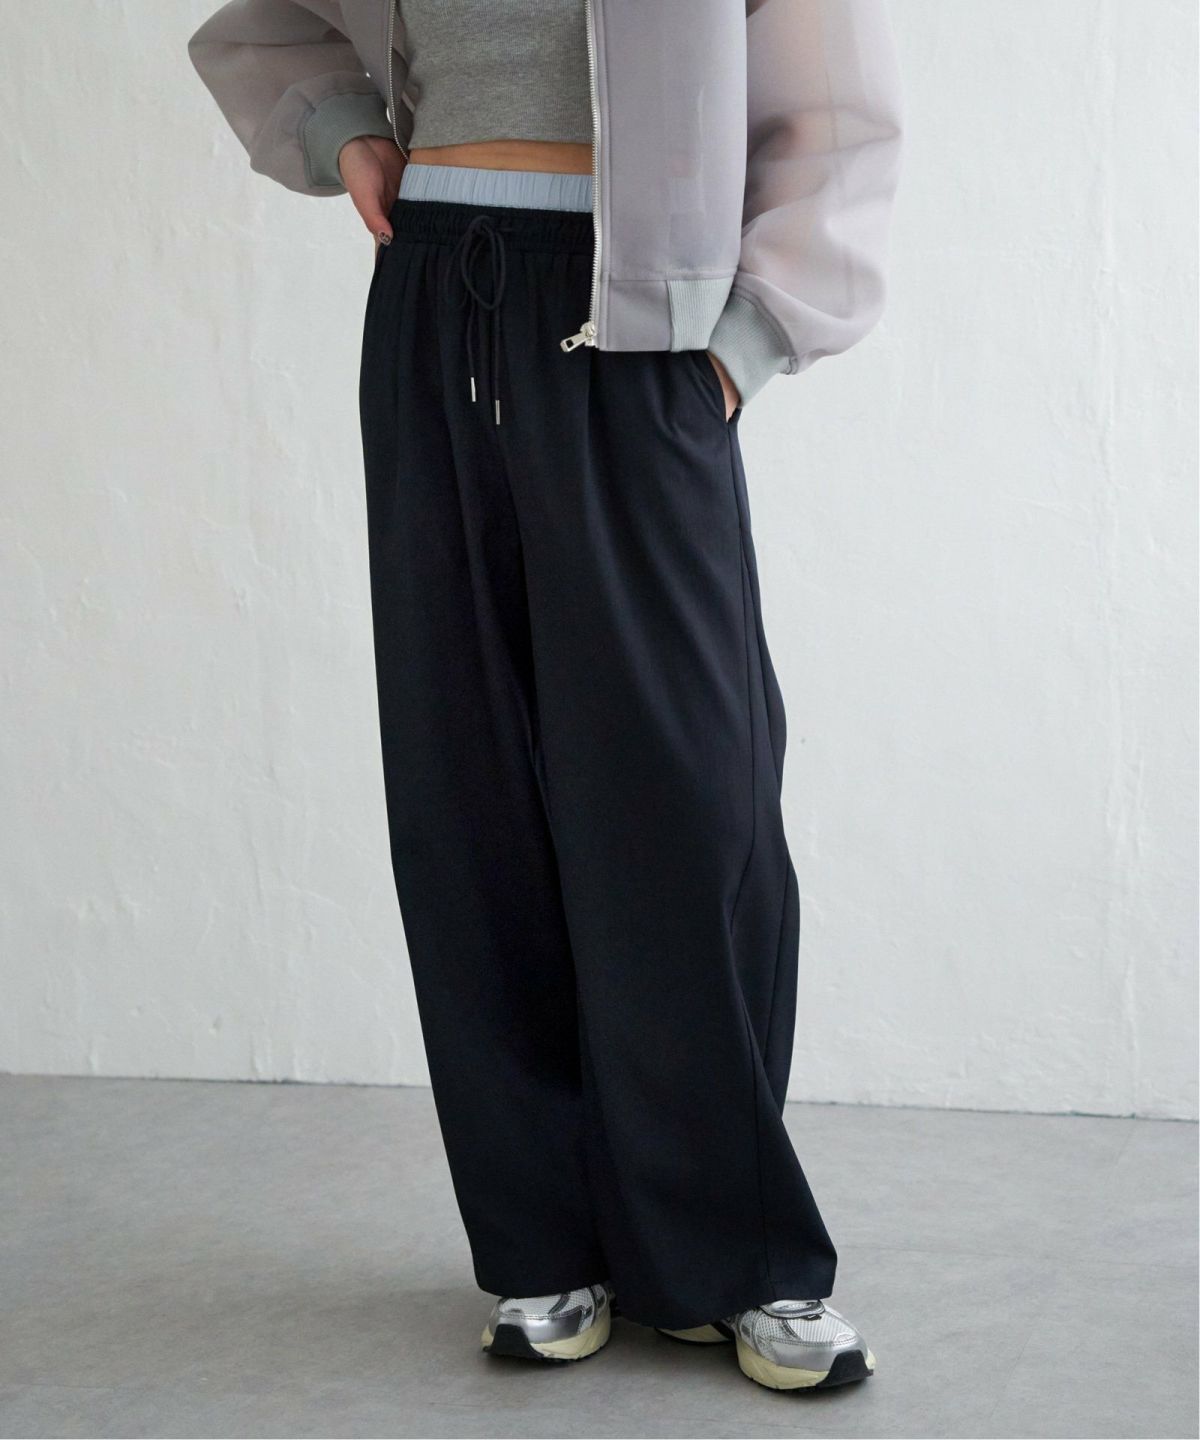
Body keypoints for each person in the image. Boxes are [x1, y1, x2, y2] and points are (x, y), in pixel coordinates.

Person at [188, 0, 902, 1393]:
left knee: (691, 797)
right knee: (469, 783)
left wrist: (742, 345)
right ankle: (542, 1244)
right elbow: (273, 24)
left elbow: (837, 111)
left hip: (643, 324)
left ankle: (735, 1254)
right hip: (436, 288)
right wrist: (345, 132)